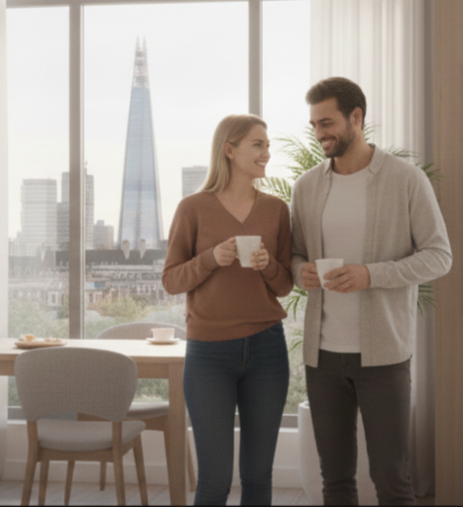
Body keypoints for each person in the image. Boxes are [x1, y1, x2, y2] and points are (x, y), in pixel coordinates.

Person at [291, 77, 451, 506]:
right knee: (335, 479)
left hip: (383, 355)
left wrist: (370, 274)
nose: (320, 133)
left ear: (356, 117)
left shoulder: (405, 179)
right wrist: (300, 271)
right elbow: (294, 256)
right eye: (314, 125)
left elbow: (440, 256)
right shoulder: (306, 186)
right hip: (322, 357)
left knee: (391, 479)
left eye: (327, 122)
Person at [162, 114, 294, 506]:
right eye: (258, 144)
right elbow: (171, 280)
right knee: (214, 480)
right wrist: (211, 259)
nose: (266, 153)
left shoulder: (276, 210)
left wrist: (267, 265)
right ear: (229, 149)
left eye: (268, 145)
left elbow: (285, 284)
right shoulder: (193, 208)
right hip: (209, 355)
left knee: (257, 477)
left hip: (267, 350)